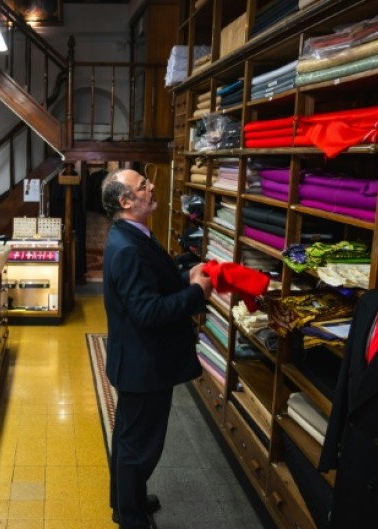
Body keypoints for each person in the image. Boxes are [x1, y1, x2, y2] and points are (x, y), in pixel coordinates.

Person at [100, 168, 212, 529]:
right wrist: (195, 293)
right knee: (139, 448)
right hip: (143, 365)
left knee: (130, 439)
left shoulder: (133, 236)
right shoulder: (128, 248)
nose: (151, 187)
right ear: (126, 201)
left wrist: (185, 278)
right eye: (142, 185)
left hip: (139, 361)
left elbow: (152, 286)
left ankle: (126, 502)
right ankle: (131, 517)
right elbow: (148, 312)